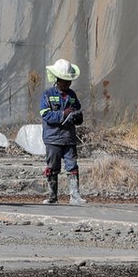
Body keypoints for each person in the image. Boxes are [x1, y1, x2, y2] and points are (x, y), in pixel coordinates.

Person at [39, 58, 86, 204]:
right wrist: (63, 114)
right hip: (53, 138)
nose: (67, 84)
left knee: (72, 165)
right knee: (53, 167)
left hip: (69, 138)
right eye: (64, 81)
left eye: (69, 81)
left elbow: (78, 113)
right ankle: (52, 196)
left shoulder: (72, 95)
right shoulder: (47, 95)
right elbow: (46, 115)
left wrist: (77, 117)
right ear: (57, 79)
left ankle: (75, 196)